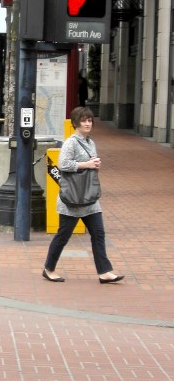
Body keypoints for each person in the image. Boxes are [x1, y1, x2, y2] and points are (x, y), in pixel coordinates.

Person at [43, 106, 124, 285]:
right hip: (72, 199)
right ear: (75, 123)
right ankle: (49, 268)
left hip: (89, 197)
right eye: (84, 120)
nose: (88, 123)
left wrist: (94, 164)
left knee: (98, 233)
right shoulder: (71, 142)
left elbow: (87, 164)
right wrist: (87, 164)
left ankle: (105, 272)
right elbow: (63, 164)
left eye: (90, 120)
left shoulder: (90, 142)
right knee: (63, 235)